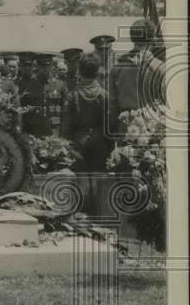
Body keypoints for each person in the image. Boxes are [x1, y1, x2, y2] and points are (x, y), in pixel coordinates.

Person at [63, 52, 111, 212]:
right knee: (99, 175)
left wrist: (66, 142)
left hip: (79, 139)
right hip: (100, 139)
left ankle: (83, 210)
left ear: (80, 71)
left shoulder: (73, 95)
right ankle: (99, 210)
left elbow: (67, 124)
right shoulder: (104, 95)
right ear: (97, 72)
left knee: (81, 175)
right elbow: (108, 123)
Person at [108, 18, 166, 133]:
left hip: (126, 128)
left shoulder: (117, 68)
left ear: (132, 38)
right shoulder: (161, 68)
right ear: (153, 38)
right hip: (153, 129)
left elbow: (113, 105)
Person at [22, 53, 67, 138]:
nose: (44, 68)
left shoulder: (60, 85)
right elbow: (24, 113)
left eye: (47, 65)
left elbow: (65, 113)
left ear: (51, 66)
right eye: (41, 65)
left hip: (54, 131)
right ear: (37, 66)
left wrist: (63, 134)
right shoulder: (29, 86)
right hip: (35, 132)